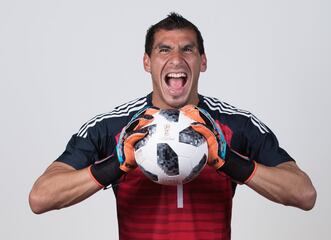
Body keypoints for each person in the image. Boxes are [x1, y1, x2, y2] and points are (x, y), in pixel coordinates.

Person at [29, 12, 316, 240]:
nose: (176, 59)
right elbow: (41, 197)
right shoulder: (114, 126)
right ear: (147, 62)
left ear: (202, 62)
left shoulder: (233, 124)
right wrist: (115, 165)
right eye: (164, 50)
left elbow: (304, 194)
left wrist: (229, 161)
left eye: (187, 50)